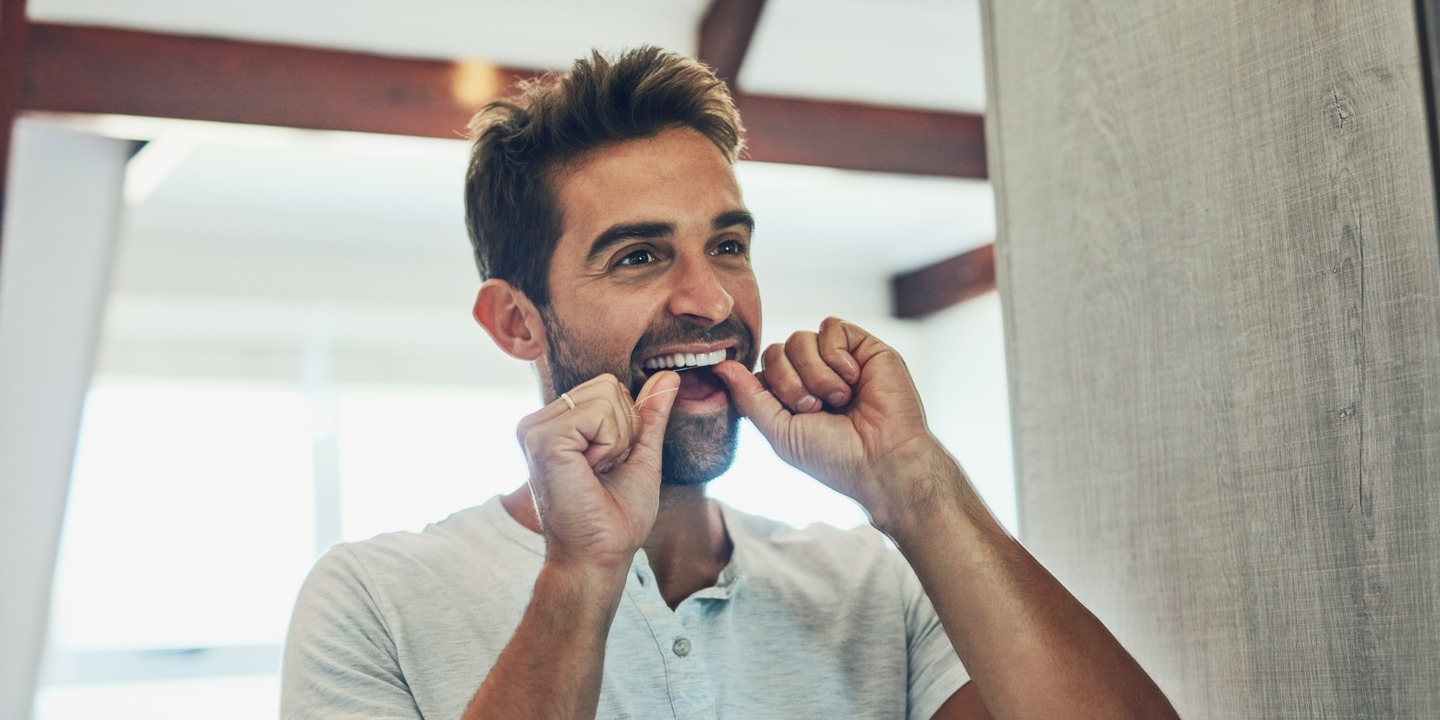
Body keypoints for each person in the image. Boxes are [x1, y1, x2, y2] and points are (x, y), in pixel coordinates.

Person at [280, 46, 1178, 720]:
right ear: (517, 321)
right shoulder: (373, 597)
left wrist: (919, 489)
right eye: (638, 256)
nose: (711, 299)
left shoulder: (877, 584)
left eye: (728, 246)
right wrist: (581, 573)